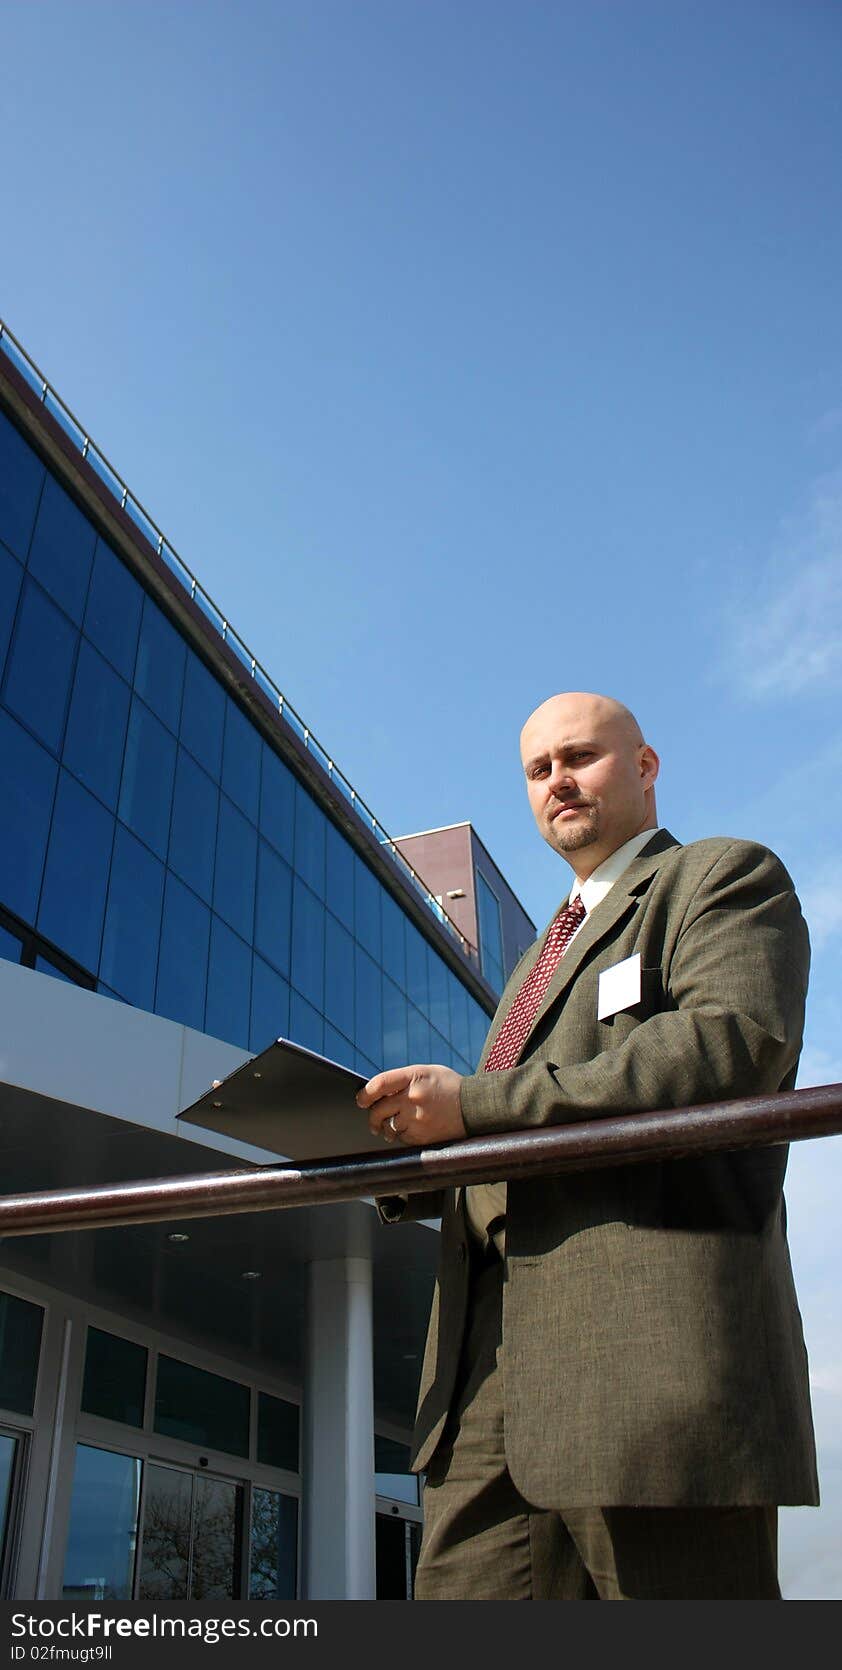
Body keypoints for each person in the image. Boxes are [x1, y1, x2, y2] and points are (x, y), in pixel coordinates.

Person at [357, 691, 818, 1601]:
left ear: (645, 768)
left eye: (581, 758)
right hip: (482, 1372)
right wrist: (411, 1161)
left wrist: (476, 1109)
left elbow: (728, 1046)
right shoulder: (533, 964)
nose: (558, 783)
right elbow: (524, 1126)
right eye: (539, 770)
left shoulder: (721, 877)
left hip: (644, 1357)